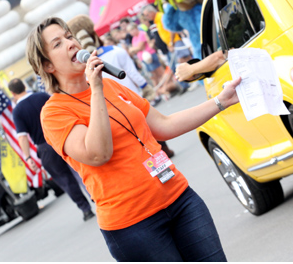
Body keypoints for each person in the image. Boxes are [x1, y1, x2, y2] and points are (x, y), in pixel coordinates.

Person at [26, 17, 241, 261]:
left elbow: (164, 125)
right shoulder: (54, 112)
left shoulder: (111, 86)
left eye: (69, 36)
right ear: (47, 66)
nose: (70, 43)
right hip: (134, 226)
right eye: (57, 44)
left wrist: (221, 102)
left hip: (180, 200)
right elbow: (97, 154)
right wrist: (95, 90)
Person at [67, 14, 175, 157]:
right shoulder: (115, 50)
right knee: (148, 125)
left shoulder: (83, 66)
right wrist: (145, 87)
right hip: (132, 97)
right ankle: (162, 151)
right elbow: (132, 73)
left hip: (109, 107)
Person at [7, 78, 95, 221]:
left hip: (45, 147)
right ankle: (95, 196)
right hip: (63, 137)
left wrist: (28, 157)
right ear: (24, 86)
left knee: (65, 180)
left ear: (12, 93)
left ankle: (85, 209)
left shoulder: (18, 111)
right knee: (80, 170)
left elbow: (22, 137)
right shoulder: (42, 96)